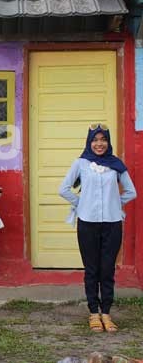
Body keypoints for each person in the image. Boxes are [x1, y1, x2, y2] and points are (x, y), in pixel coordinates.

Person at [59, 124, 136, 333]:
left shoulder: (116, 164)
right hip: (87, 224)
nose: (99, 143)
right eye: (95, 139)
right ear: (89, 142)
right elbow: (64, 189)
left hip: (112, 224)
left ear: (108, 142)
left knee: (108, 270)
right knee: (92, 269)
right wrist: (81, 203)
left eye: (103, 139)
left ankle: (107, 313)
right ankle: (94, 312)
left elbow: (131, 191)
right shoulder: (81, 163)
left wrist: (115, 204)